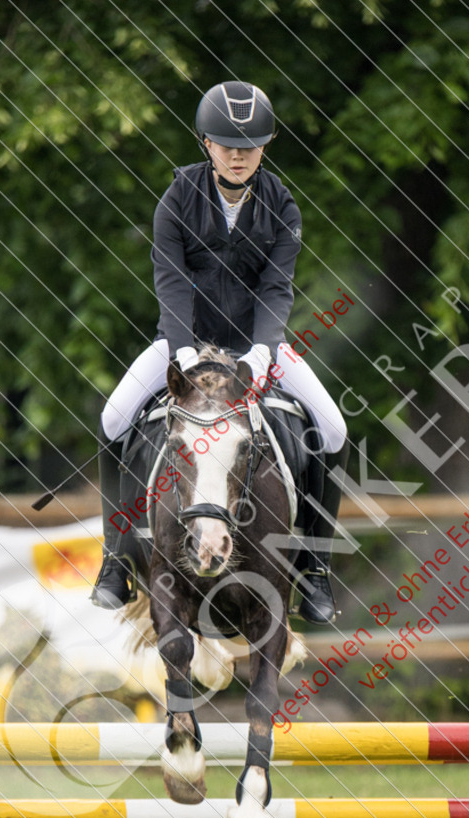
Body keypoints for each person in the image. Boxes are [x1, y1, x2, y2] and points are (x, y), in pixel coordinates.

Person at [92, 81, 347, 622]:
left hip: (258, 347)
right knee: (114, 419)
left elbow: (278, 288)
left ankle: (315, 568)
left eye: (250, 143)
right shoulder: (177, 199)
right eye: (227, 143)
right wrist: (182, 355)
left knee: (333, 427)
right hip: (183, 344)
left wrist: (260, 354)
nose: (238, 154)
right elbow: (172, 283)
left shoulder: (281, 204)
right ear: (205, 143)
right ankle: (116, 559)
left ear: (267, 143)